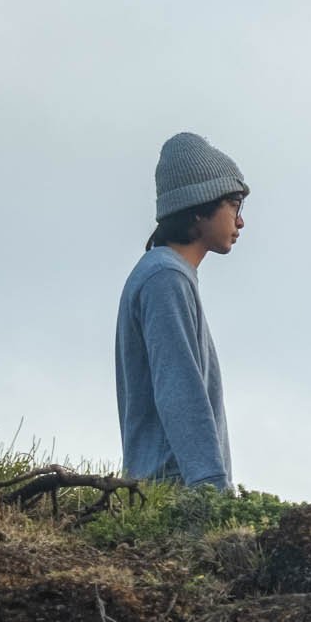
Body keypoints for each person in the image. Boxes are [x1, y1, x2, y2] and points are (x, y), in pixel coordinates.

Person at [115, 132, 248, 491]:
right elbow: (179, 389)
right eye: (234, 204)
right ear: (200, 206)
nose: (240, 221)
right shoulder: (165, 277)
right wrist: (211, 489)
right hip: (175, 489)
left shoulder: (168, 273)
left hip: (173, 485)